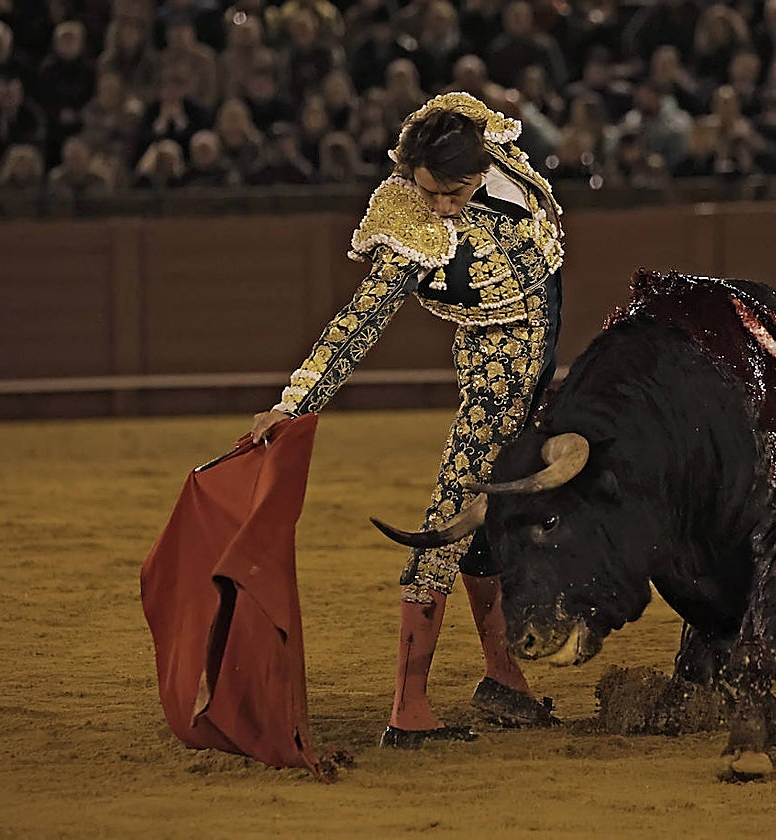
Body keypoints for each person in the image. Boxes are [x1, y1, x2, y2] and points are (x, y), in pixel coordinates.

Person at [249, 92, 565, 748]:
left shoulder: (486, 142)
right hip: (498, 369)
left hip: (539, 360)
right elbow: (356, 325)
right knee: (450, 524)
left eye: (456, 192)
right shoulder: (407, 227)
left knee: (490, 522)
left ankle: (505, 680)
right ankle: (408, 711)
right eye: (432, 192)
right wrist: (294, 403)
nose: (443, 207)